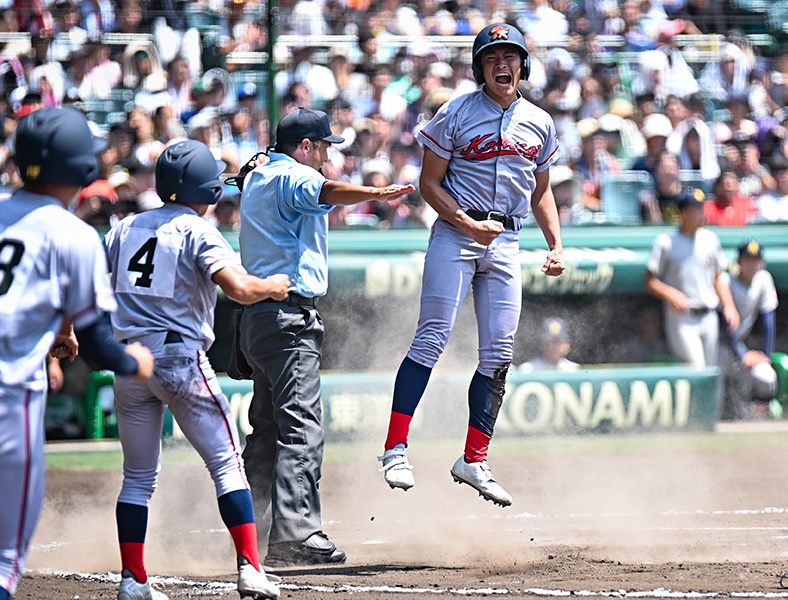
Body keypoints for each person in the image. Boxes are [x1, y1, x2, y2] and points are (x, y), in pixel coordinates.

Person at [376, 23, 565, 507]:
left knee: (499, 353)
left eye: (511, 56)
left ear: (523, 64)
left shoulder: (539, 122)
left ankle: (474, 459)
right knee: (432, 336)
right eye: (492, 57)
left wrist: (556, 245)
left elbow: (541, 191)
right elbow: (428, 182)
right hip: (457, 234)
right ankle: (395, 448)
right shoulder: (455, 112)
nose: (503, 64)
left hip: (506, 240)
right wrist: (465, 221)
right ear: (480, 66)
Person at [104, 140, 289, 600]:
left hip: (129, 362)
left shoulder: (124, 228)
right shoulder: (196, 229)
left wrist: (68, 334)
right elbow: (239, 289)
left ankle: (132, 581)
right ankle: (250, 569)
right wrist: (271, 285)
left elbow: (88, 287)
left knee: (138, 478)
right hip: (177, 358)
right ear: (204, 188)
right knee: (227, 465)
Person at [236, 108, 414, 567]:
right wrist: (375, 192)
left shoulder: (258, 174)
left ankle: (250, 530)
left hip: (257, 319)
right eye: (324, 147)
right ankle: (295, 533)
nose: (326, 157)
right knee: (301, 428)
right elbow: (324, 189)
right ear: (306, 146)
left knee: (269, 431)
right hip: (287, 317)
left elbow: (235, 178)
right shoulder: (292, 175)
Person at [0, 106, 155, 600]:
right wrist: (135, 362)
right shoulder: (75, 235)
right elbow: (98, 343)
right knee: (5, 560)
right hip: (10, 400)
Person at [646, 186, 740, 369]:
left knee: (713, 371)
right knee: (697, 369)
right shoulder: (666, 242)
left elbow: (718, 277)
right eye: (695, 209)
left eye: (701, 208)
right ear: (683, 213)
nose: (700, 214)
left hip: (709, 314)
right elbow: (650, 280)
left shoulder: (711, 239)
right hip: (683, 317)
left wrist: (729, 305)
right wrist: (670, 293)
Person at [719, 240, 780, 420]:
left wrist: (765, 356)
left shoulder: (764, 279)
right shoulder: (725, 281)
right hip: (718, 347)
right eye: (747, 260)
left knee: (768, 378)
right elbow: (724, 325)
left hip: (741, 347)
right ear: (738, 262)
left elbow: (769, 322)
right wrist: (741, 354)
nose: (752, 265)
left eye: (756, 260)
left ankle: (755, 417)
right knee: (715, 389)